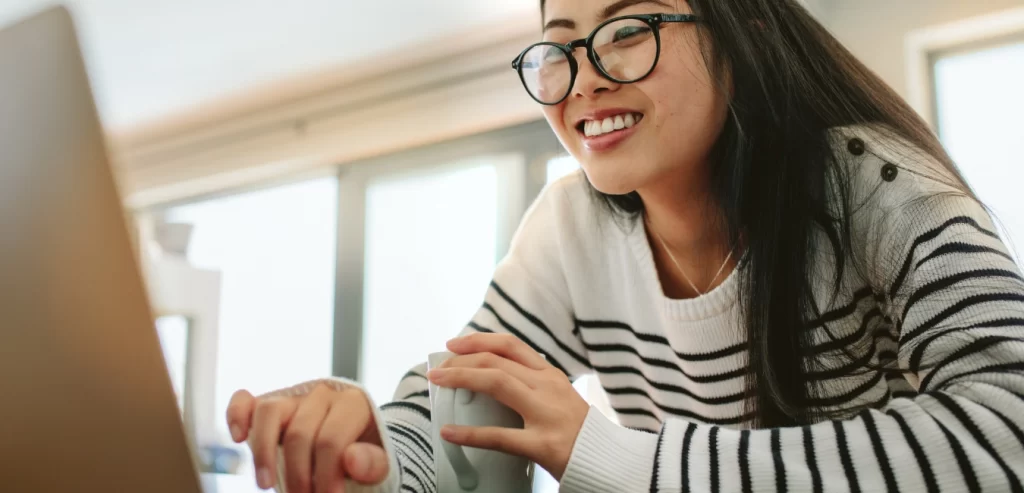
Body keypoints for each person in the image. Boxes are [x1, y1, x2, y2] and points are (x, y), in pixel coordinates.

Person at [226, 0, 1024, 491]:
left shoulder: (874, 183)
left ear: (740, 35)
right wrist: (370, 456)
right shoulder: (569, 226)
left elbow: (1009, 429)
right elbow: (469, 414)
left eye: (629, 29)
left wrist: (627, 465)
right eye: (561, 46)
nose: (584, 78)